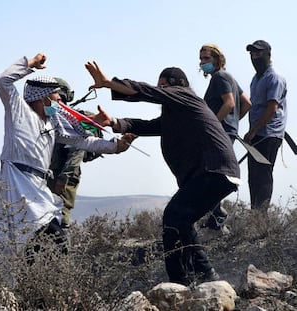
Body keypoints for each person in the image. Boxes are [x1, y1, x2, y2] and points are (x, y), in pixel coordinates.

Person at [85, 61, 240, 285]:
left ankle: (185, 281)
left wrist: (110, 83)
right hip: (213, 173)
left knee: (174, 217)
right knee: (181, 221)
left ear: (177, 86)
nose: (162, 93)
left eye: (164, 87)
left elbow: (148, 91)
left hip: (213, 170)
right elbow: (150, 126)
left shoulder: (186, 96)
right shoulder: (178, 114)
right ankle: (201, 276)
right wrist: (115, 123)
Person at [0, 53, 136, 255]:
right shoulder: (19, 111)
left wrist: (115, 146)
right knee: (29, 240)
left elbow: (83, 141)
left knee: (43, 240)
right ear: (42, 97)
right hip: (16, 182)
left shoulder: (53, 124)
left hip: (38, 186)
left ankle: (34, 282)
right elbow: (2, 80)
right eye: (56, 97)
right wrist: (30, 64)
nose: (60, 102)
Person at [199, 44, 252, 231]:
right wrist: (233, 123)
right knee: (216, 173)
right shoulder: (229, 78)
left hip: (218, 134)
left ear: (217, 58)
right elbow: (246, 103)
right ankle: (215, 219)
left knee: (211, 174)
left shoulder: (220, 77)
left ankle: (217, 219)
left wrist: (215, 125)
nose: (203, 62)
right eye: (201, 59)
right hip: (226, 133)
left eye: (207, 58)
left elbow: (229, 103)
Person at [47, 78, 103, 228]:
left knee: (60, 218)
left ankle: (60, 249)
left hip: (63, 176)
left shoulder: (71, 120)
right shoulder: (51, 118)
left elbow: (77, 152)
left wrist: (64, 178)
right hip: (48, 174)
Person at [244, 40, 287, 210]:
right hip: (256, 134)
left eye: (258, 53)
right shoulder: (256, 78)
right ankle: (255, 213)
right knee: (253, 176)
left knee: (262, 175)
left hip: (268, 134)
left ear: (268, 54)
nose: (255, 57)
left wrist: (253, 131)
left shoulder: (274, 77)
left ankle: (261, 217)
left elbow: (272, 108)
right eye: (253, 54)